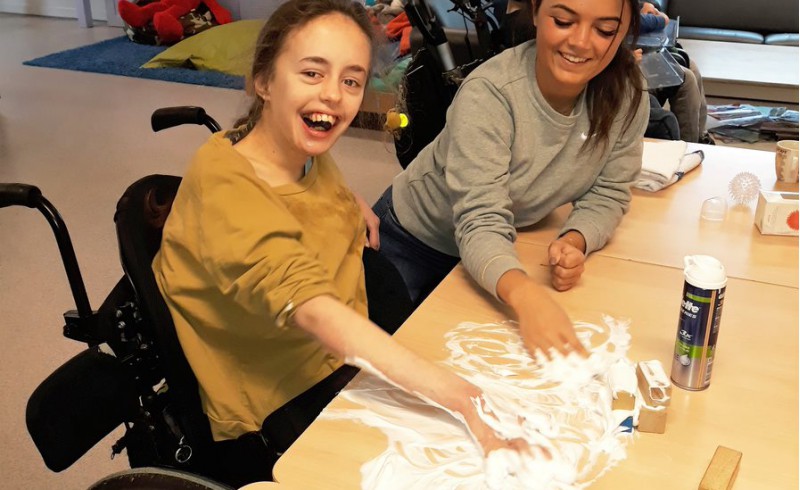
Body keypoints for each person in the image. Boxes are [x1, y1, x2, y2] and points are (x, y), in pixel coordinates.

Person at [152, 0, 536, 486]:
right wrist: (463, 398)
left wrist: (341, 199)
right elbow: (309, 305)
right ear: (263, 80)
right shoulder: (227, 188)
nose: (334, 95)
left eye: (351, 81)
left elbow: (292, 195)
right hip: (281, 392)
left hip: (335, 349)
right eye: (312, 73)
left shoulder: (294, 148)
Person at [374, 0, 649, 359]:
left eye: (605, 30)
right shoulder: (491, 92)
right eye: (563, 21)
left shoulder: (627, 94)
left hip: (495, 249)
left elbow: (609, 191)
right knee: (375, 365)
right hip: (411, 238)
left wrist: (576, 239)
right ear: (535, 12)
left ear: (625, 30)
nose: (581, 42)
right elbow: (480, 219)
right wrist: (525, 294)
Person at [638, 1, 708, 143]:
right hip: (626, 66)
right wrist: (655, 17)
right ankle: (688, 145)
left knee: (690, 65)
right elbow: (651, 20)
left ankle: (701, 136)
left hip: (639, 55)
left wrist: (650, 11)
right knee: (686, 78)